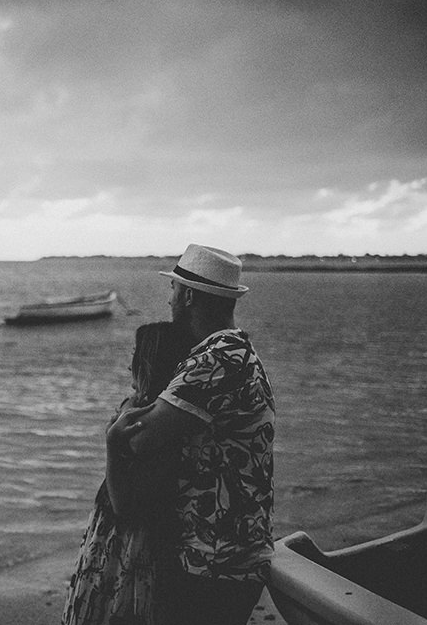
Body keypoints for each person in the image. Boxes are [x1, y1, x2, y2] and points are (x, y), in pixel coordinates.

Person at [107, 244, 275, 625]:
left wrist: (116, 428)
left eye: (172, 291)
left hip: (213, 558)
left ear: (187, 295)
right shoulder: (239, 352)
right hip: (233, 550)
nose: (169, 302)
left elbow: (136, 437)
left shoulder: (215, 359)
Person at [61, 321, 196, 625]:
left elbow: (124, 506)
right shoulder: (155, 414)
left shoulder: (148, 425)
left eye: (136, 356)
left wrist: (111, 443)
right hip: (118, 538)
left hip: (128, 543)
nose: (128, 365)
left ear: (148, 363)